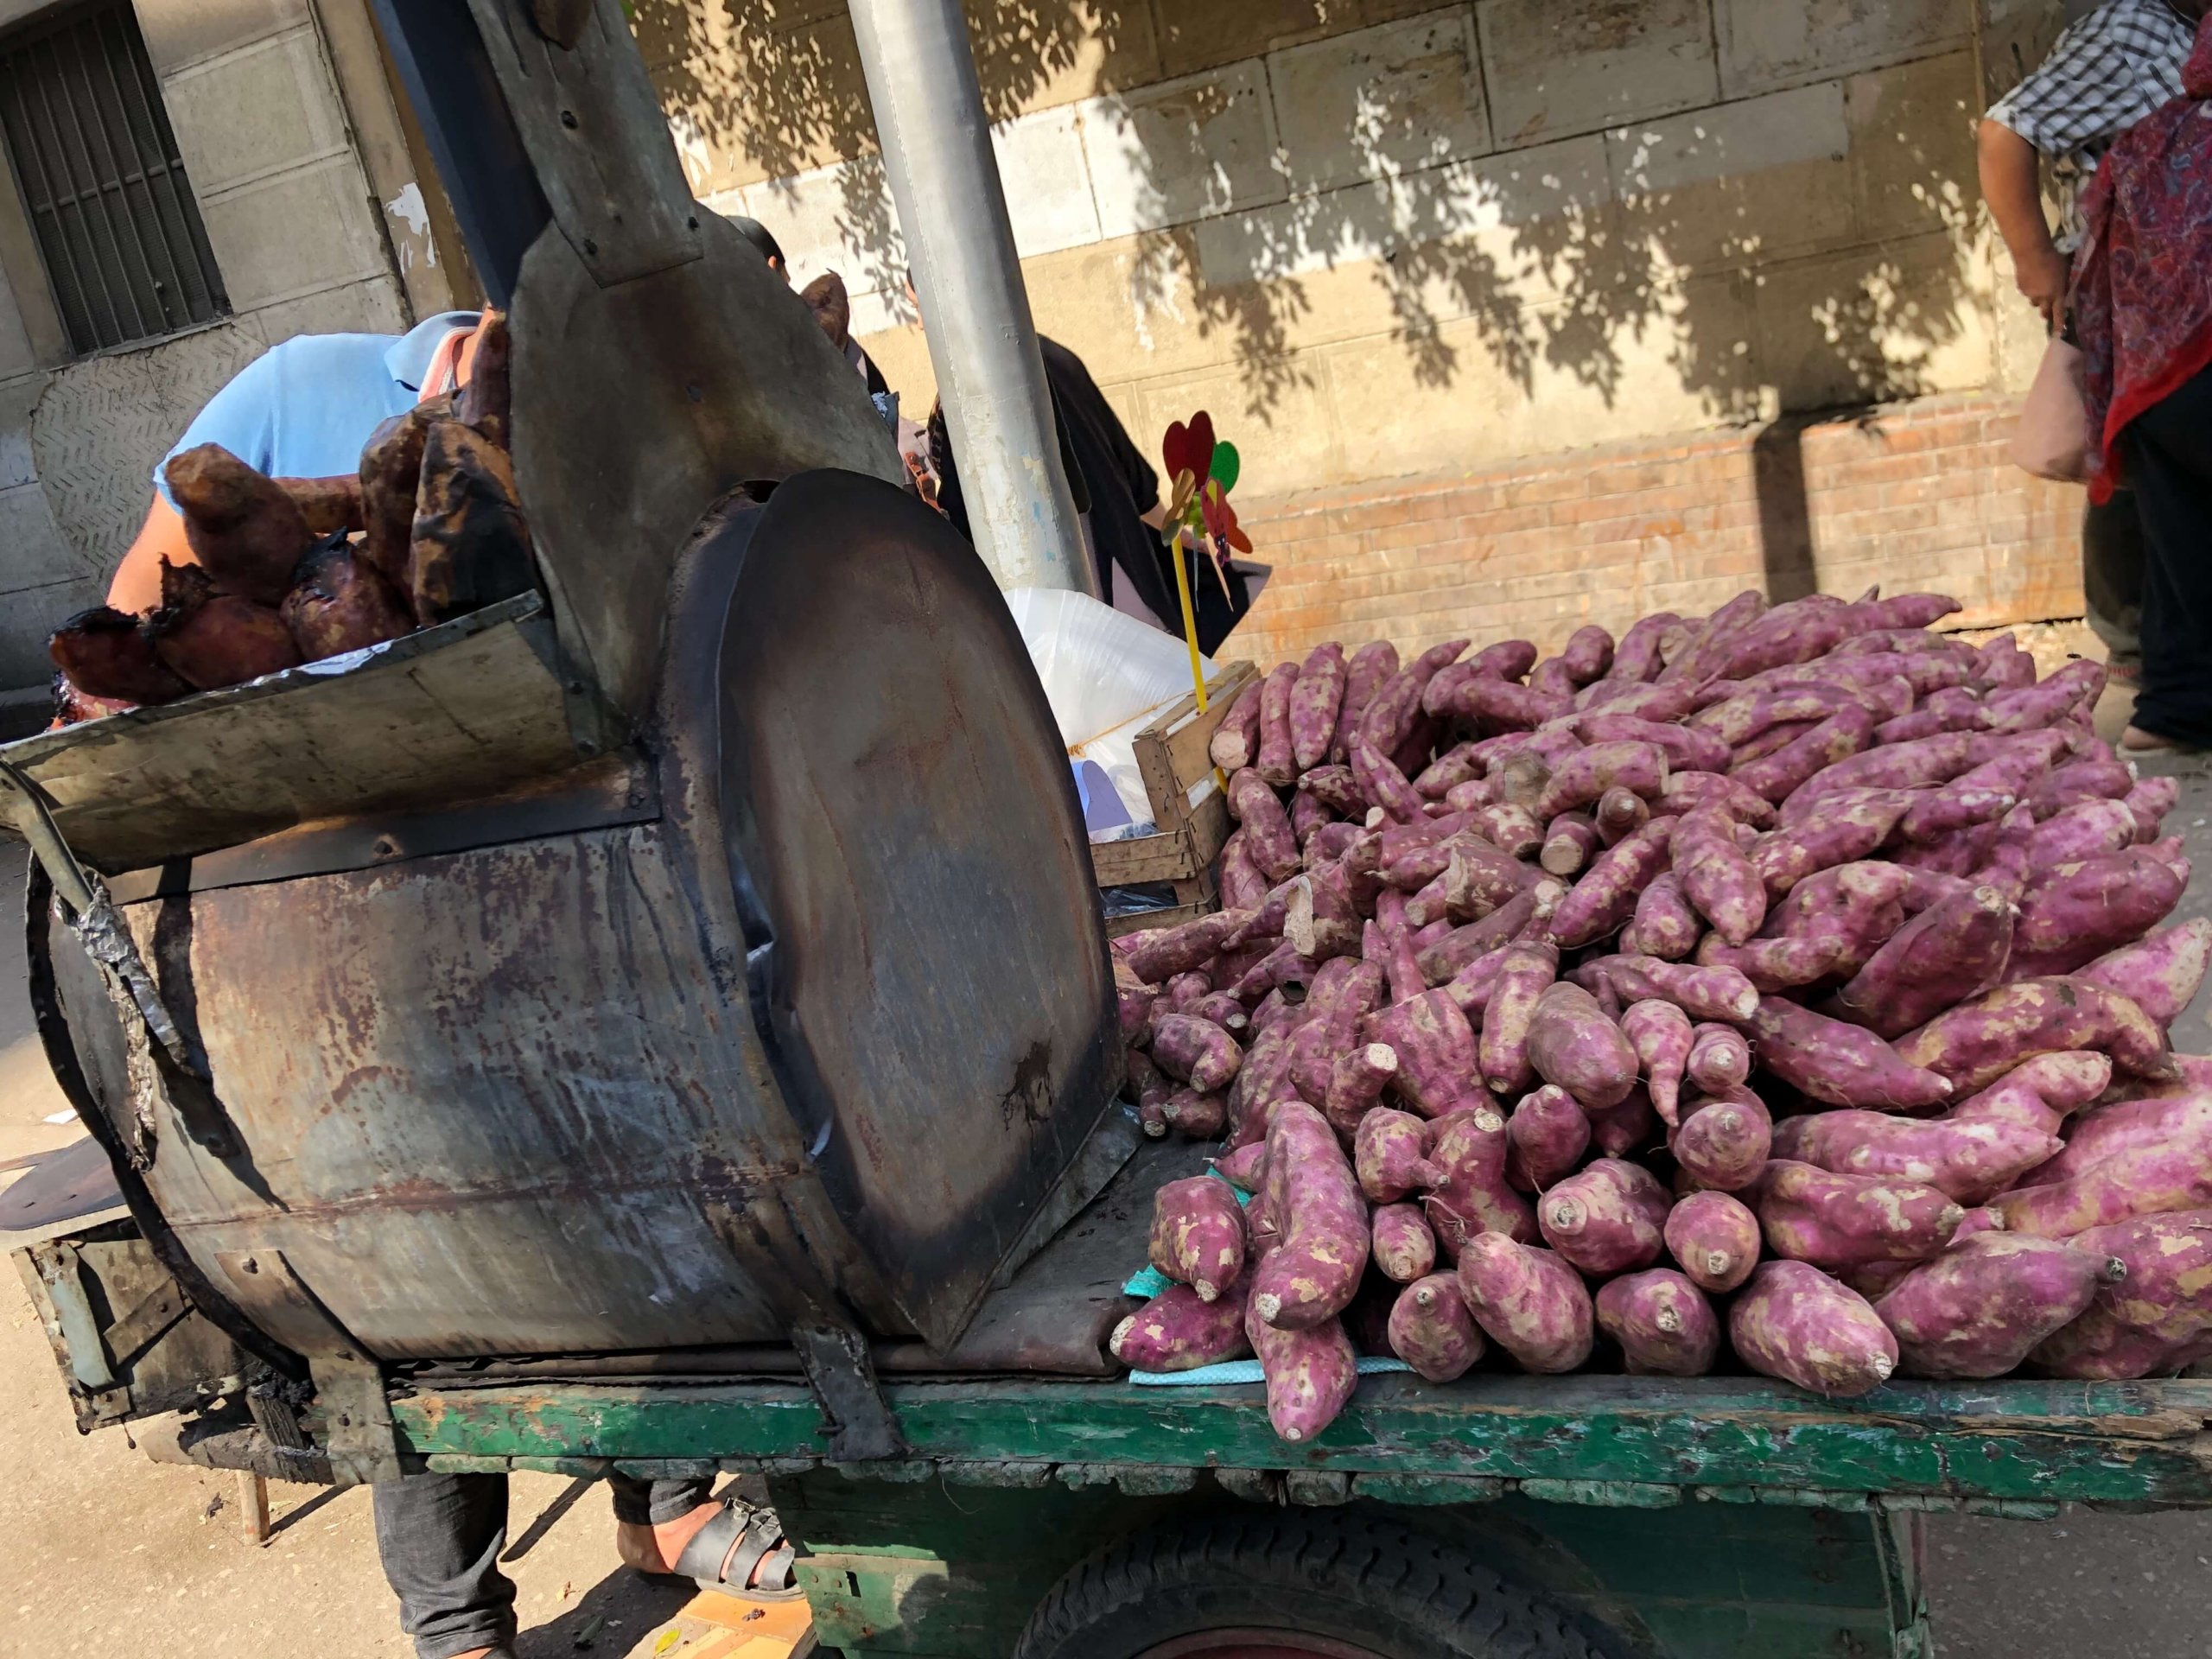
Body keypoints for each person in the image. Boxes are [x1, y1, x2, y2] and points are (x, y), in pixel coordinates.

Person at [105, 307, 803, 1659]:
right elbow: (129, 631)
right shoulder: (297, 388)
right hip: (320, 935)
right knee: (399, 1280)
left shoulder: (599, 453)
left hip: (555, 904)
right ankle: (456, 1622)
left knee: (643, 1214)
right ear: (480, 344)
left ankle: (661, 1508)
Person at [1978, 0, 2206, 686]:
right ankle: (2142, 650)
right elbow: (2005, 132)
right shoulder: (2129, 28)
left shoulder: (2190, 36)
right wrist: (2036, 259)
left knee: (2157, 466)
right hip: (2127, 296)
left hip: (2181, 298)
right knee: (2138, 462)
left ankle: (2163, 656)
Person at [918, 313, 1251, 652]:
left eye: (919, 307)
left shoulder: (974, 388)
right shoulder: (1055, 355)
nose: (919, 323)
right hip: (1127, 575)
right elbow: (1136, 479)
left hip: (1067, 602)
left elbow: (963, 515)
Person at [2070, 10, 2212, 751]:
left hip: (2152, 380)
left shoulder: (2154, 137)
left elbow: (2098, 259)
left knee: (2182, 554)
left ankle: (2170, 717)